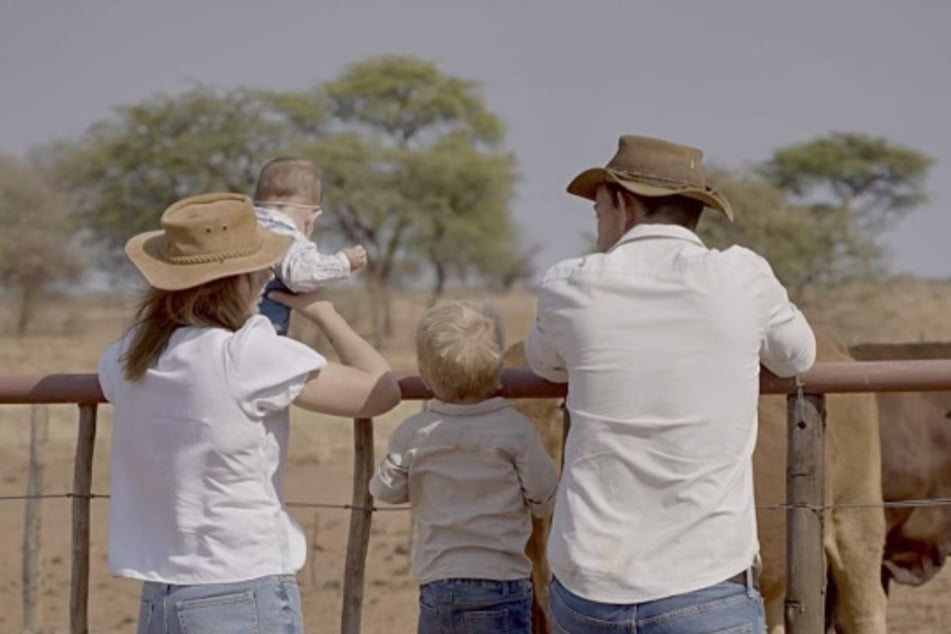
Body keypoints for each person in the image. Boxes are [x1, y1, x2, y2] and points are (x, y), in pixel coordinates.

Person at [524, 135, 816, 633]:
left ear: (624, 202)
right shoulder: (742, 275)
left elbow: (544, 363)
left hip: (591, 587)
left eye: (598, 209)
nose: (597, 224)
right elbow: (798, 355)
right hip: (705, 583)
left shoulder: (569, 285)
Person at [98, 192, 401, 634]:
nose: (266, 276)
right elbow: (381, 390)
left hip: (160, 594)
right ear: (234, 280)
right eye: (260, 267)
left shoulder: (126, 358)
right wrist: (323, 312)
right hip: (240, 587)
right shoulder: (246, 355)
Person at [370, 300, 559, 634]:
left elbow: (384, 489)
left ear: (425, 376)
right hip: (504, 586)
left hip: (438, 588)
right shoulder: (515, 429)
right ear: (497, 371)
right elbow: (545, 496)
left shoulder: (414, 433)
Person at [252, 157, 368, 334]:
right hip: (260, 334)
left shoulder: (245, 226)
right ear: (311, 217)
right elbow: (302, 274)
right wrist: (344, 262)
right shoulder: (285, 235)